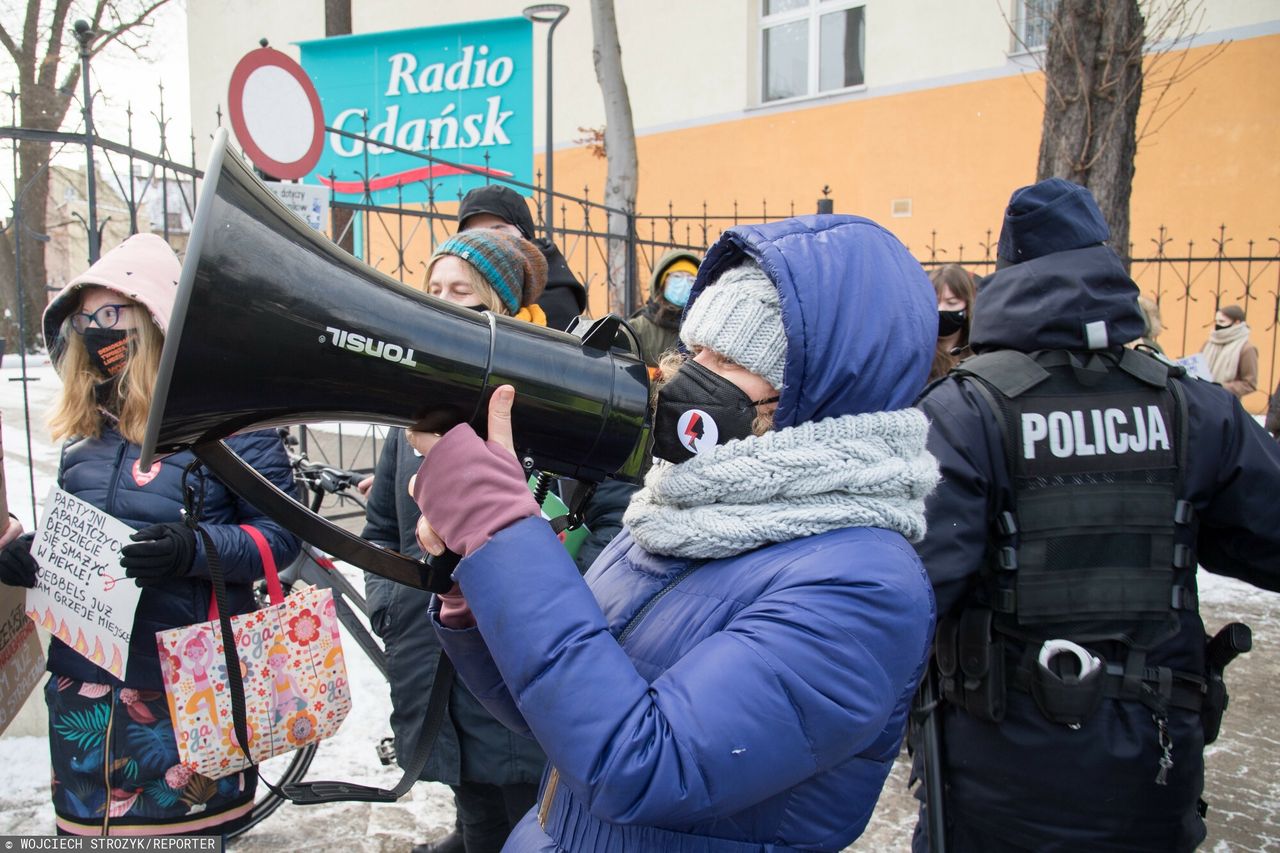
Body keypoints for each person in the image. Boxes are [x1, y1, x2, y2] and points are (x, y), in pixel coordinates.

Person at [412, 214, 940, 851]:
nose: (691, 375)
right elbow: (554, 708)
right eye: (695, 350)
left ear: (818, 395)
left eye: (728, 361)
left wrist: (502, 529)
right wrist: (482, 582)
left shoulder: (863, 584)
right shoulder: (678, 509)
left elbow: (643, 767)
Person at [912, 178, 1280, 852]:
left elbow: (907, 597)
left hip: (995, 784)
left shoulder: (965, 413)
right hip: (1151, 773)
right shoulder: (1196, 409)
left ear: (1008, 275)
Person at [0, 233, 299, 836]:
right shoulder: (83, 434)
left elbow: (280, 538)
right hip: (82, 690)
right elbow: (78, 539)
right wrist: (27, 558)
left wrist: (193, 551)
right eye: (84, 318)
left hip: (186, 692)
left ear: (157, 319)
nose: (96, 331)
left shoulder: (232, 423)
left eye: (112, 315)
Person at [366, 229, 548, 853]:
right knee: (476, 823)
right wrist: (391, 605)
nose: (444, 301)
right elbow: (382, 532)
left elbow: (598, 522)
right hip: (436, 660)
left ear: (498, 307)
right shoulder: (410, 417)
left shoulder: (537, 405)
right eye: (434, 289)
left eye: (461, 291)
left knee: (534, 825)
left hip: (514, 662)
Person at [457, 185, 587, 332]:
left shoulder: (552, 295)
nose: (488, 240)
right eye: (475, 234)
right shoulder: (460, 275)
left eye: (498, 230)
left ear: (524, 235)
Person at [628, 250, 701, 370]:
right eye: (677, 276)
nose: (683, 284)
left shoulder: (702, 332)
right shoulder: (637, 329)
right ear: (663, 281)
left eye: (691, 280)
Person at [928, 264, 976, 381]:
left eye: (952, 303)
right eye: (935, 302)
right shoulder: (919, 352)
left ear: (968, 306)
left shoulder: (978, 351)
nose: (941, 309)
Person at [1199, 303, 1258, 399]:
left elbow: (1249, 384)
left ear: (1237, 323)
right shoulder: (1209, 343)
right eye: (1216, 321)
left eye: (1222, 322)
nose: (1218, 325)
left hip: (1226, 403)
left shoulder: (1246, 348)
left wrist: (1220, 387)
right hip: (1202, 398)